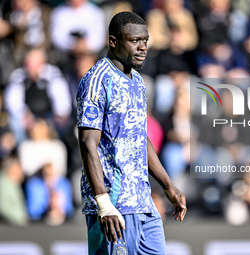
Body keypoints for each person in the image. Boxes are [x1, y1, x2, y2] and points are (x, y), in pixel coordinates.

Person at [76, 11, 187, 255]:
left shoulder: (137, 81)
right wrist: (104, 205)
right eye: (134, 40)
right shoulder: (97, 81)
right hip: (115, 208)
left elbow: (139, 137)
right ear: (113, 42)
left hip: (143, 203)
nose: (143, 47)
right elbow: (87, 143)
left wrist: (168, 185)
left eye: (145, 40)